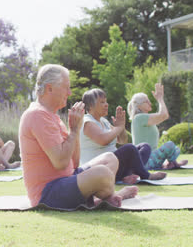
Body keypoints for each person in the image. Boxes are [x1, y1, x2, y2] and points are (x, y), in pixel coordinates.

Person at [19, 64, 138, 209]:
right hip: (49, 193)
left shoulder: (51, 116)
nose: (69, 93)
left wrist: (75, 128)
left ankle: (102, 198)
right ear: (50, 88)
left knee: (109, 158)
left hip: (67, 180)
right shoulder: (37, 115)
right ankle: (104, 199)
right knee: (103, 173)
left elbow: (73, 164)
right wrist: (74, 130)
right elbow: (61, 163)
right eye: (66, 87)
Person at [80, 88, 166, 183]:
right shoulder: (87, 122)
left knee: (145, 147)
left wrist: (121, 128)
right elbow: (103, 140)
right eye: (102, 102)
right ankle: (145, 175)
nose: (106, 104)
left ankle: (128, 175)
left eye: (106, 101)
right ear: (91, 106)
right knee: (130, 148)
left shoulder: (104, 121)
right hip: (100, 167)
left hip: (114, 164)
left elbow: (122, 140)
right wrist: (118, 128)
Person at [128, 83, 188, 170]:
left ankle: (171, 163)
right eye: (146, 101)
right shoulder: (139, 118)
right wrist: (160, 99)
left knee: (176, 149)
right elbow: (164, 115)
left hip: (150, 158)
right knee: (170, 145)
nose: (150, 103)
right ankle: (172, 163)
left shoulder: (144, 118)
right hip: (145, 161)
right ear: (139, 106)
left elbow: (163, 115)